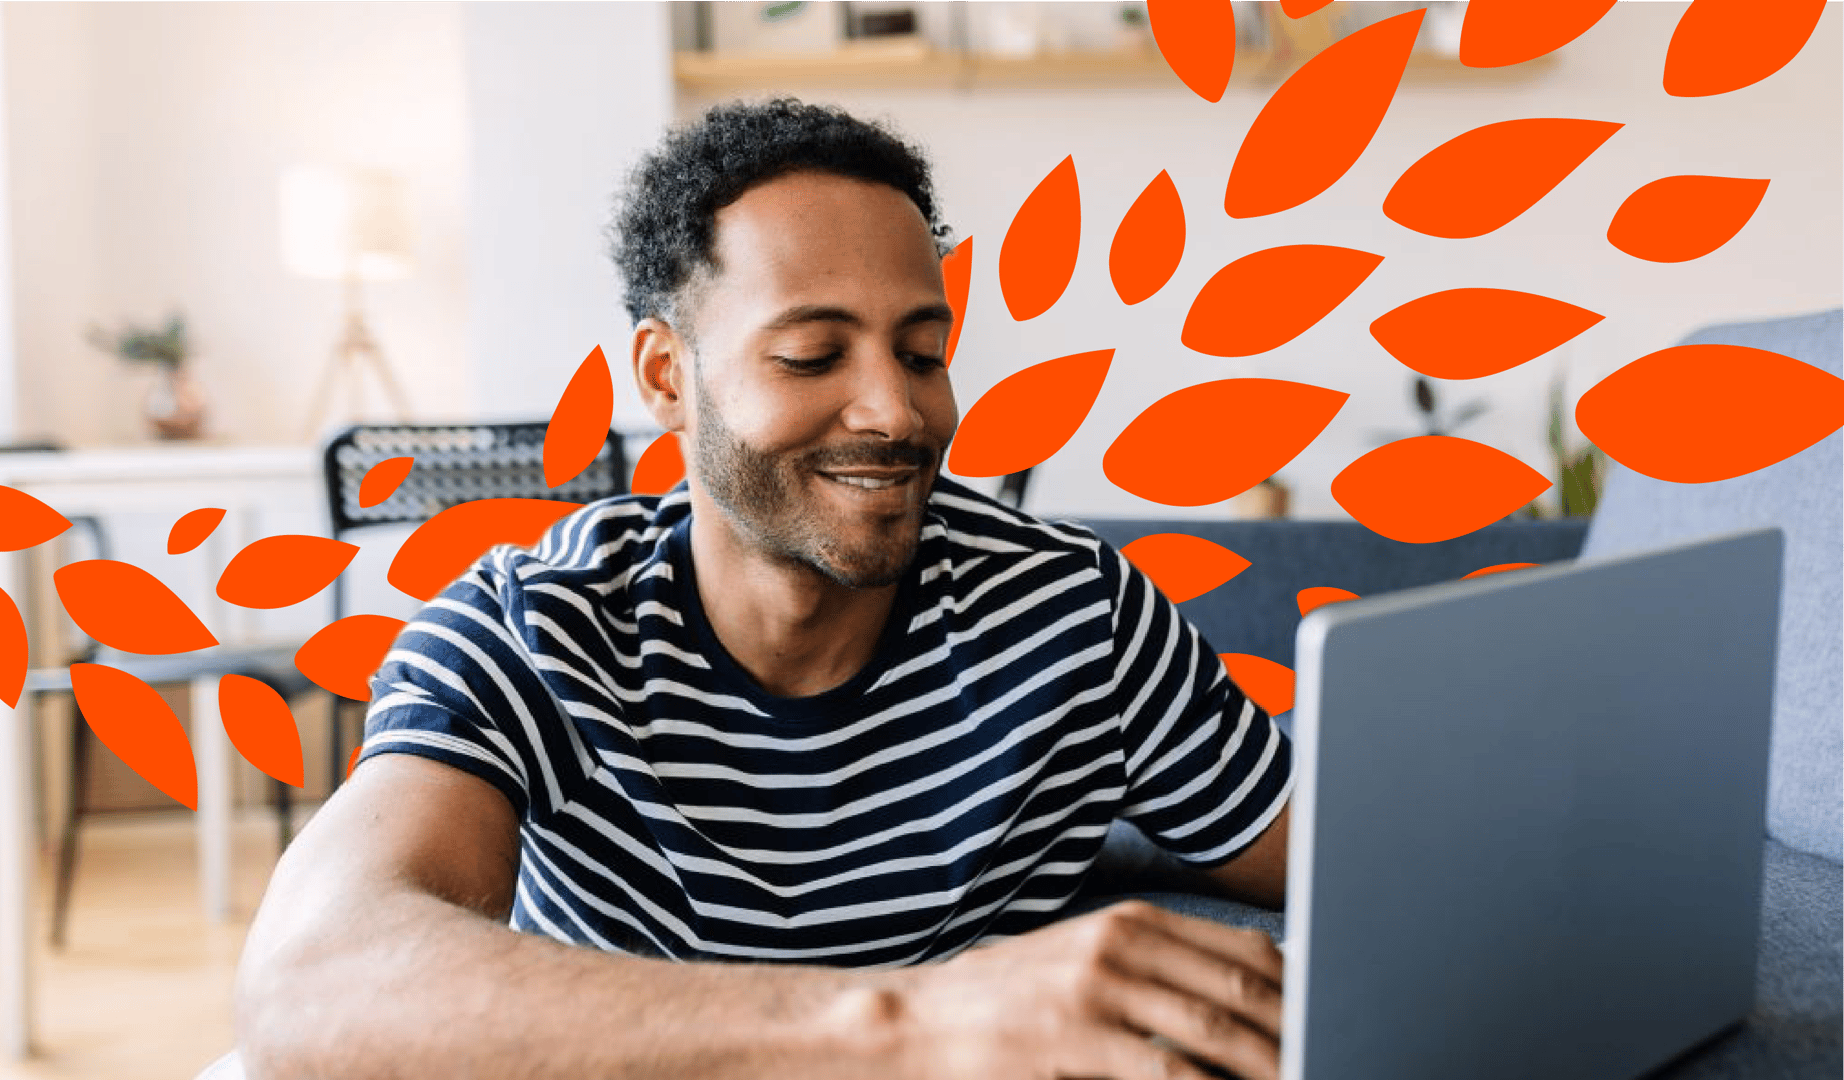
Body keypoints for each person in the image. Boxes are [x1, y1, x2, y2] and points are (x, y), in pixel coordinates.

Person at [235, 98, 1294, 1080]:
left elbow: (1349, 859)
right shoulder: (534, 631)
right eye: (810, 355)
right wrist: (905, 1021)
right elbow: (307, 984)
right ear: (665, 378)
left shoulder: (1079, 621)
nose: (894, 411)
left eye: (923, 353)